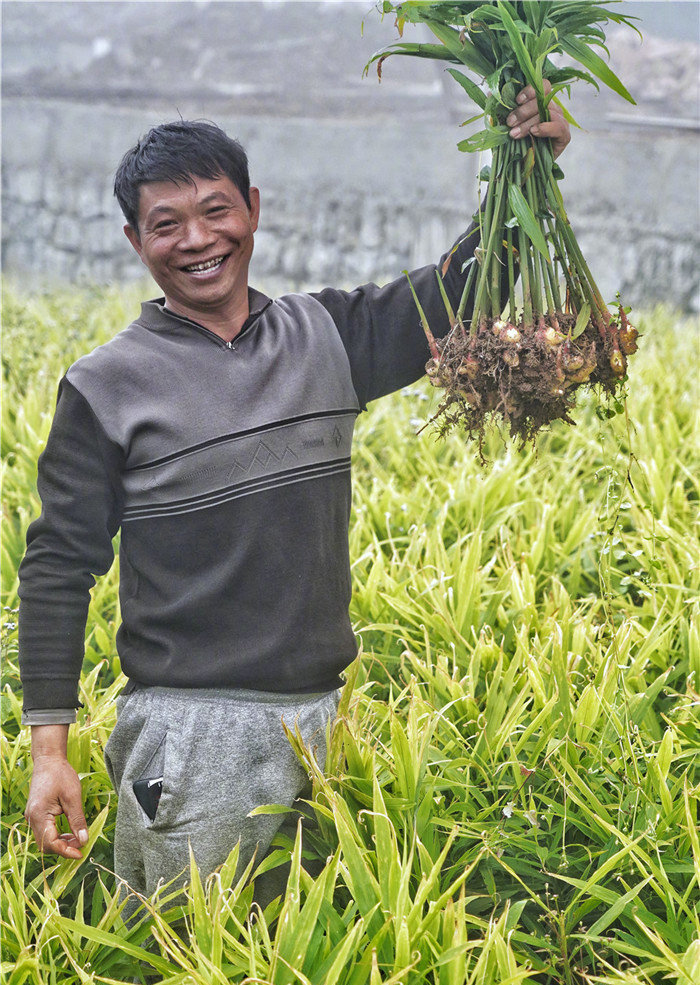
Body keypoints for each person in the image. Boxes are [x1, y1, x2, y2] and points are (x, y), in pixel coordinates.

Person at [20, 86, 570, 916]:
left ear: (254, 209)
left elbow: (466, 286)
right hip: (189, 732)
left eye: (216, 210)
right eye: (167, 224)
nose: (198, 239)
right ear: (136, 241)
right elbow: (58, 566)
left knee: (301, 960)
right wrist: (48, 750)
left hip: (320, 717)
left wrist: (532, 165)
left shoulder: (329, 337)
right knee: (180, 963)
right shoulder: (105, 387)